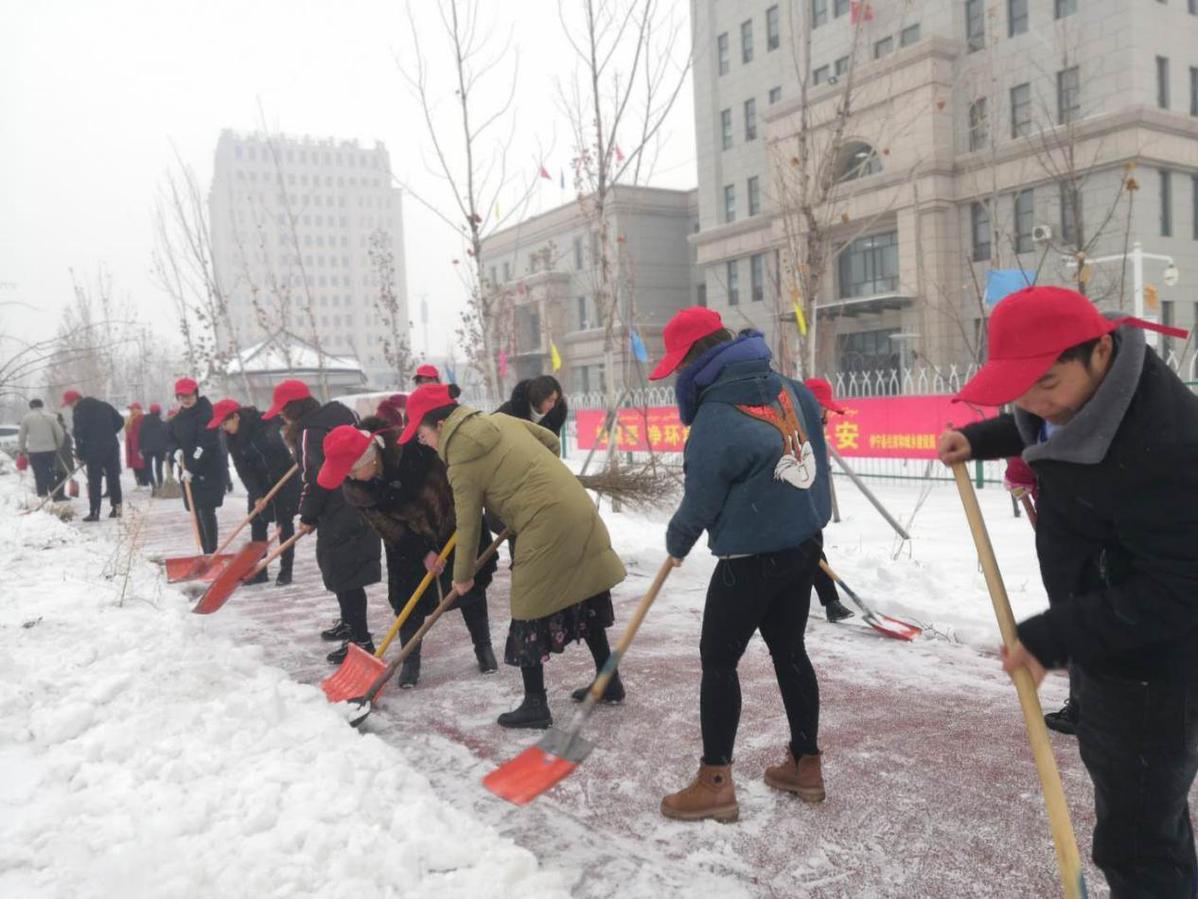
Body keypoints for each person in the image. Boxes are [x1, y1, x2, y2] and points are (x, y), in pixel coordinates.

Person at [936, 285, 1198, 896]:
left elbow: (1176, 587)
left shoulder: (1167, 446)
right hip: (1109, 636)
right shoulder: (1091, 393)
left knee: (1137, 841)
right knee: (1152, 816)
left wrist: (1050, 637)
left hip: (1156, 665)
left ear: (1100, 350)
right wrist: (984, 438)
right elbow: (1042, 417)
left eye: (1048, 382)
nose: (1035, 401)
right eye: (1020, 386)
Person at [649, 307, 832, 824]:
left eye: (679, 368)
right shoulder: (790, 388)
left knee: (718, 660)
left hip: (748, 560)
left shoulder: (715, 417)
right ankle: (805, 763)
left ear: (693, 362)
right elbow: (815, 457)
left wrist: (679, 539)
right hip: (801, 547)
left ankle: (715, 783)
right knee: (790, 650)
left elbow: (702, 498)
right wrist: (813, 521)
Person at [403, 382, 626, 729]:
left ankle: (535, 705)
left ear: (442, 426)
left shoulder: (461, 462)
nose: (425, 443)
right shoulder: (500, 422)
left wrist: (462, 577)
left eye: (422, 435)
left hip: (545, 525)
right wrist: (533, 480)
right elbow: (550, 442)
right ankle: (608, 680)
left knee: (527, 610)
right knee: (585, 595)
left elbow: (468, 525)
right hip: (577, 508)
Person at [318, 418, 498, 687]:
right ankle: (410, 662)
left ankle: (484, 649)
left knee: (467, 587)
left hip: (456, 521)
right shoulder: (357, 490)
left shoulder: (413, 448)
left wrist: (462, 519)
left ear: (370, 458)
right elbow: (387, 527)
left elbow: (455, 482)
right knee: (407, 599)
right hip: (407, 542)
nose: (351, 478)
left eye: (353, 470)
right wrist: (423, 551)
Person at [266, 379, 382, 663]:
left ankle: (361, 640)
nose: (280, 415)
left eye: (282, 410)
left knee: (343, 574)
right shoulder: (342, 412)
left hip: (337, 510)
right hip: (362, 500)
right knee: (349, 571)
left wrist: (308, 514)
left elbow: (314, 479)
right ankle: (350, 625)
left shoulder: (307, 432)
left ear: (293, 408)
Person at [210, 398, 300, 586]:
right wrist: (257, 494)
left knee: (284, 523)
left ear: (236, 417)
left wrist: (295, 444)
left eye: (225, 423)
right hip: (259, 483)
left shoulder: (265, 420)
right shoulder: (231, 439)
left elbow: (292, 428)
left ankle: (286, 570)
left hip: (284, 479)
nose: (224, 429)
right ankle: (260, 571)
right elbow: (242, 469)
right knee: (257, 523)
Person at [802, 378, 855, 624]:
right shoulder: (799, 428)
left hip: (809, 501)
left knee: (812, 548)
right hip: (794, 500)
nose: (827, 415)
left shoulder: (812, 427)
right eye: (824, 408)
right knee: (806, 550)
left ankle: (831, 603)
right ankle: (829, 602)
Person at [165, 378, 225, 554]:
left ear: (196, 393)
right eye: (182, 396)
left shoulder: (207, 413)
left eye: (189, 395)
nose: (186, 399)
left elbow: (204, 444)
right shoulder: (178, 418)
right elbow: (170, 438)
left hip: (208, 469)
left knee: (206, 510)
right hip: (187, 470)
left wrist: (192, 468)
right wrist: (175, 451)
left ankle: (211, 551)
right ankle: (204, 549)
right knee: (195, 510)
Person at [64, 389, 124, 521]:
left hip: (93, 450)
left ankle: (94, 512)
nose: (69, 407)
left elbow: (80, 435)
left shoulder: (79, 411)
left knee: (95, 482)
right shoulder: (104, 405)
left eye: (69, 404)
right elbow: (120, 421)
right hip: (111, 447)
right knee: (114, 479)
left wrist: (80, 454)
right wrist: (108, 433)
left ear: (75, 401)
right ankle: (118, 510)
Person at [18, 399, 66, 498]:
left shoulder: (26, 418)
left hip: (34, 452)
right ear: (42, 405)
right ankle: (54, 494)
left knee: (39, 474)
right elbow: (60, 434)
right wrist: (58, 446)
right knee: (50, 472)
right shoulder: (51, 417)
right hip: (50, 450)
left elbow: (21, 436)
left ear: (31, 407)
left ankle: (42, 495)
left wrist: (21, 450)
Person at [496, 375, 568, 437]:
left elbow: (552, 446)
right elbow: (490, 425)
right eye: (549, 401)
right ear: (539, 398)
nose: (553, 405)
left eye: (555, 400)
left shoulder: (554, 418)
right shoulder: (511, 410)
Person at [139, 403, 168, 492]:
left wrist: (140, 448)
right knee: (159, 468)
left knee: (148, 468)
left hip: (147, 449)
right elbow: (165, 437)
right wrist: (166, 449)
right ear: (159, 412)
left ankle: (153, 485)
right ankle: (160, 484)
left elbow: (141, 436)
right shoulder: (162, 423)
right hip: (160, 449)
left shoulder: (144, 422)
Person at [125, 402, 149, 488]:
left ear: (139, 410)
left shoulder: (141, 418)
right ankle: (139, 483)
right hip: (132, 446)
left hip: (139, 446)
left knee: (141, 465)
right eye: (130, 409)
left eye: (133, 409)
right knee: (135, 466)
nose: (131, 411)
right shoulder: (130, 419)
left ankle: (144, 483)